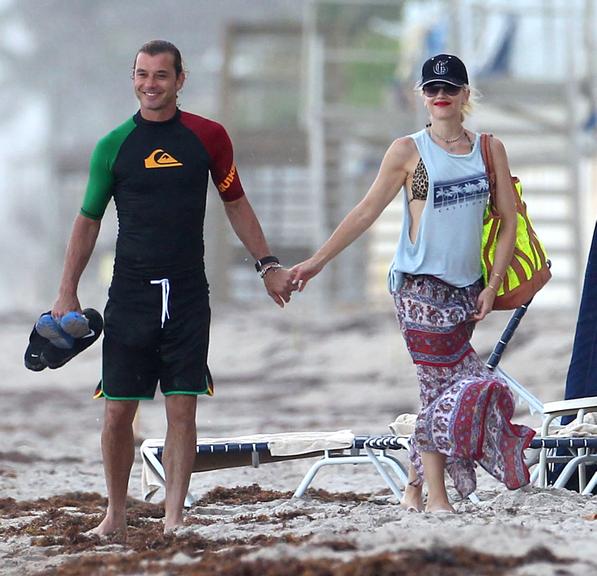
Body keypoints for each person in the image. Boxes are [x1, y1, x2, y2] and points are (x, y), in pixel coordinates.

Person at [49, 39, 294, 536]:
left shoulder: (208, 137)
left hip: (185, 291)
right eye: (141, 74)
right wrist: (66, 291)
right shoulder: (113, 145)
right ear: (133, 77)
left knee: (183, 406)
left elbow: (236, 202)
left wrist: (266, 263)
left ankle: (174, 517)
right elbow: (87, 220)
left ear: (180, 80)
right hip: (130, 293)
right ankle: (114, 514)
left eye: (160, 75)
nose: (149, 84)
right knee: (118, 412)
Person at [291, 54, 535, 513]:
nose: (439, 96)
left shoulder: (489, 149)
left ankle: (414, 489)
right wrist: (317, 262)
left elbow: (507, 221)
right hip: (418, 289)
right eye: (431, 90)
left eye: (448, 89)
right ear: (421, 97)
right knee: (460, 385)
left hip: (467, 292)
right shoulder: (408, 150)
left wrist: (492, 284)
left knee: (444, 389)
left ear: (465, 95)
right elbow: (366, 211)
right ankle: (437, 496)